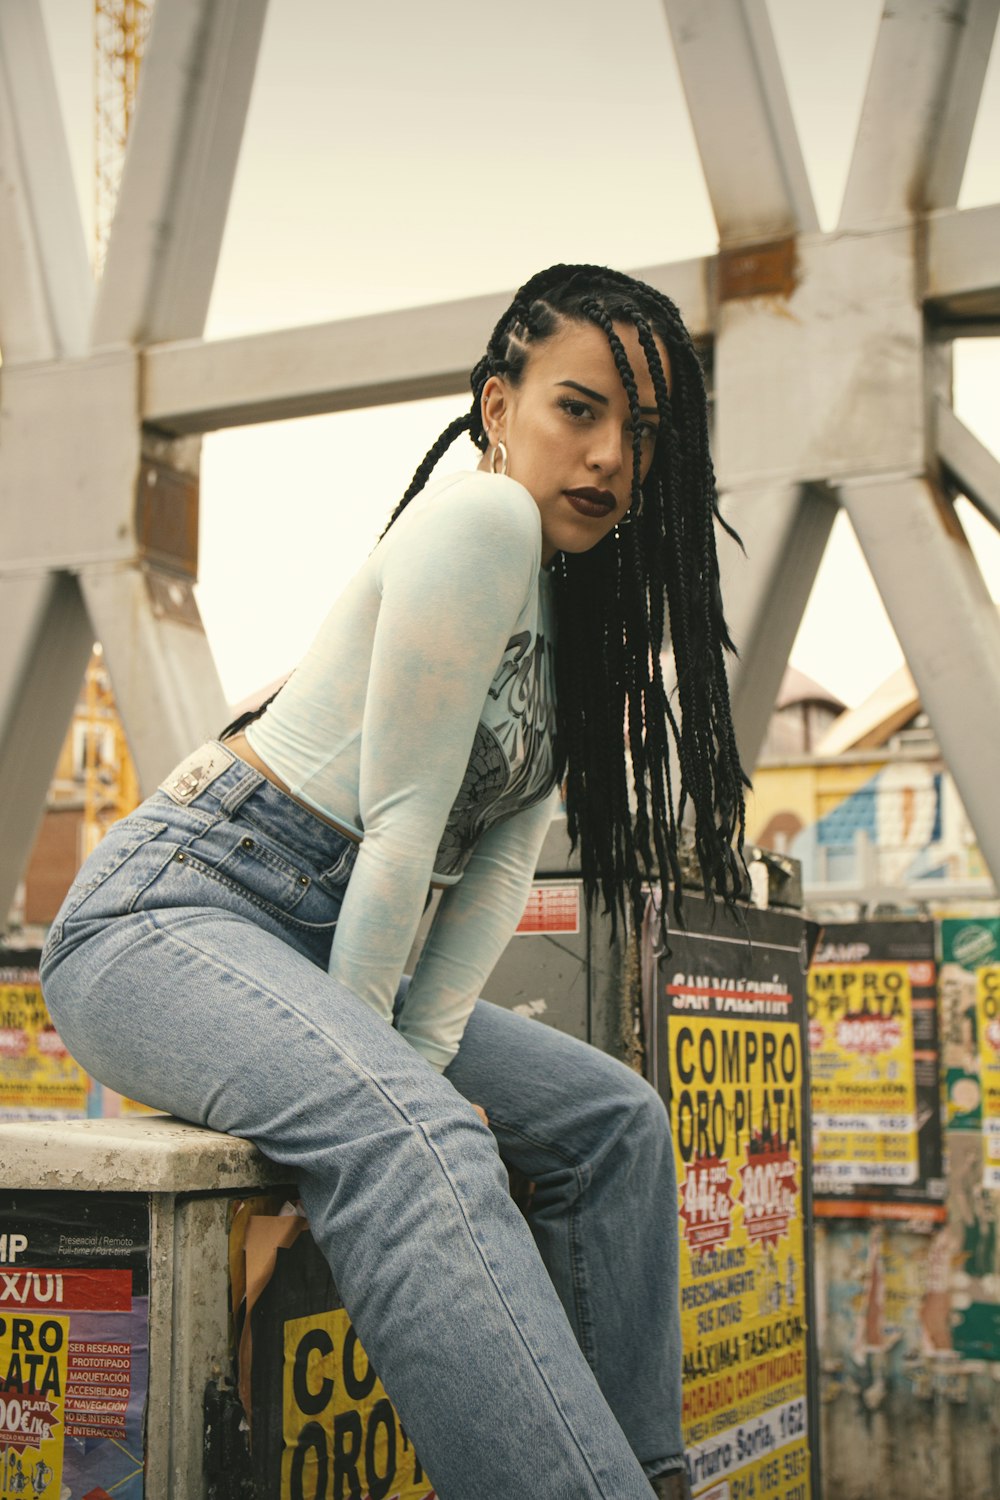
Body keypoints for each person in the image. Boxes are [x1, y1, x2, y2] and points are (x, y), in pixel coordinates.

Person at [40, 264, 746, 1499]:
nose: (608, 458)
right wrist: (394, 1091)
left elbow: (499, 864)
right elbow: (405, 833)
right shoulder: (482, 525)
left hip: (324, 943)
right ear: (495, 406)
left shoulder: (580, 606)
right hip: (173, 911)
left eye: (640, 432)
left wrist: (407, 1056)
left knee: (612, 1124)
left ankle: (643, 1475)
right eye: (576, 410)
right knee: (413, 1134)